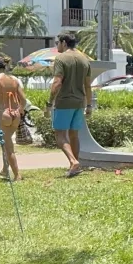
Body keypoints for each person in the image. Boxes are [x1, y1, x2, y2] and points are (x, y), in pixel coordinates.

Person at [48, 33, 92, 178]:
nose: (57, 46)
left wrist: (49, 102)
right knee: (74, 135)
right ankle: (75, 165)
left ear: (64, 43)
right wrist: (89, 105)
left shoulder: (61, 59)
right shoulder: (84, 59)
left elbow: (57, 82)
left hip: (64, 101)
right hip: (79, 102)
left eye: (57, 43)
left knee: (60, 135)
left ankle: (73, 161)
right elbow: (88, 86)